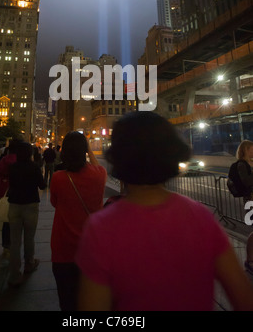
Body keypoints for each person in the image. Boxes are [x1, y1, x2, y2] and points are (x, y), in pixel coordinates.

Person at [76, 112, 253, 311]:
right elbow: (244, 298)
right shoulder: (200, 218)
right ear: (172, 154)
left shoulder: (101, 228)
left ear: (118, 158)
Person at [50, 131, 107, 311]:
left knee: (67, 302)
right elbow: (99, 168)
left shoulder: (58, 178)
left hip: (63, 250)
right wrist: (89, 149)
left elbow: (54, 203)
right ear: (85, 150)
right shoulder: (99, 175)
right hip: (92, 250)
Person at [7, 142, 46, 286]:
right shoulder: (34, 167)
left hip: (14, 205)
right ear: (30, 153)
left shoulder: (13, 167)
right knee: (29, 238)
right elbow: (42, 185)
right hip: (30, 204)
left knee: (15, 241)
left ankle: (14, 275)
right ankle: (29, 263)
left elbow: (11, 184)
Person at [0, 139, 20, 257]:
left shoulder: (4, 160)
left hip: (2, 191)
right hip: (15, 193)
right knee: (16, 221)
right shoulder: (19, 161)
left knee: (6, 221)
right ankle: (13, 245)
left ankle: (6, 246)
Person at [232, 140, 253, 275]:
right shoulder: (242, 165)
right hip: (250, 201)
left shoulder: (250, 163)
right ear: (245, 149)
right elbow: (247, 182)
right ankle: (249, 261)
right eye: (252, 148)